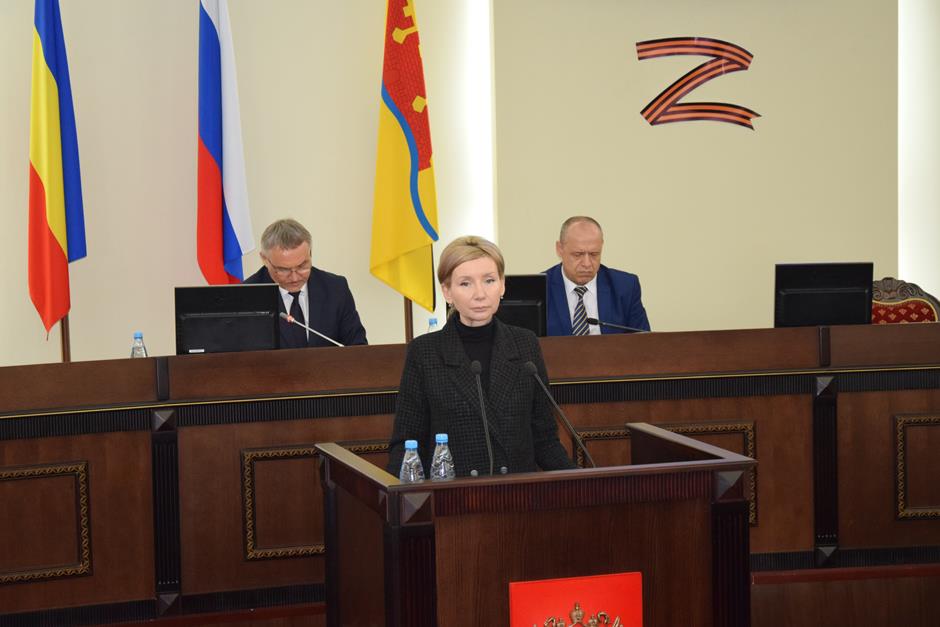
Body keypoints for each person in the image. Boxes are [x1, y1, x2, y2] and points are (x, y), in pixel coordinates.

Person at [386, 236, 576, 477]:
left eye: (489, 280)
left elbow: (545, 439)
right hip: (454, 494)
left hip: (518, 493)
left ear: (502, 285)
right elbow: (406, 445)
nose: (480, 294)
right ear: (447, 292)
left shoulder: (525, 344)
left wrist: (581, 482)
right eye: (465, 283)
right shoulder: (425, 352)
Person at [244, 218, 367, 348]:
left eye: (302, 266)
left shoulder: (335, 288)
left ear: (310, 253)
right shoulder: (245, 296)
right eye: (283, 270)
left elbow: (358, 346)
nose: (294, 277)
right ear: (265, 259)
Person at [545, 216, 650, 336]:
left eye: (594, 254)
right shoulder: (539, 288)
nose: (587, 264)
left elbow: (644, 341)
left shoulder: (625, 287)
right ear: (560, 249)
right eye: (578, 254)